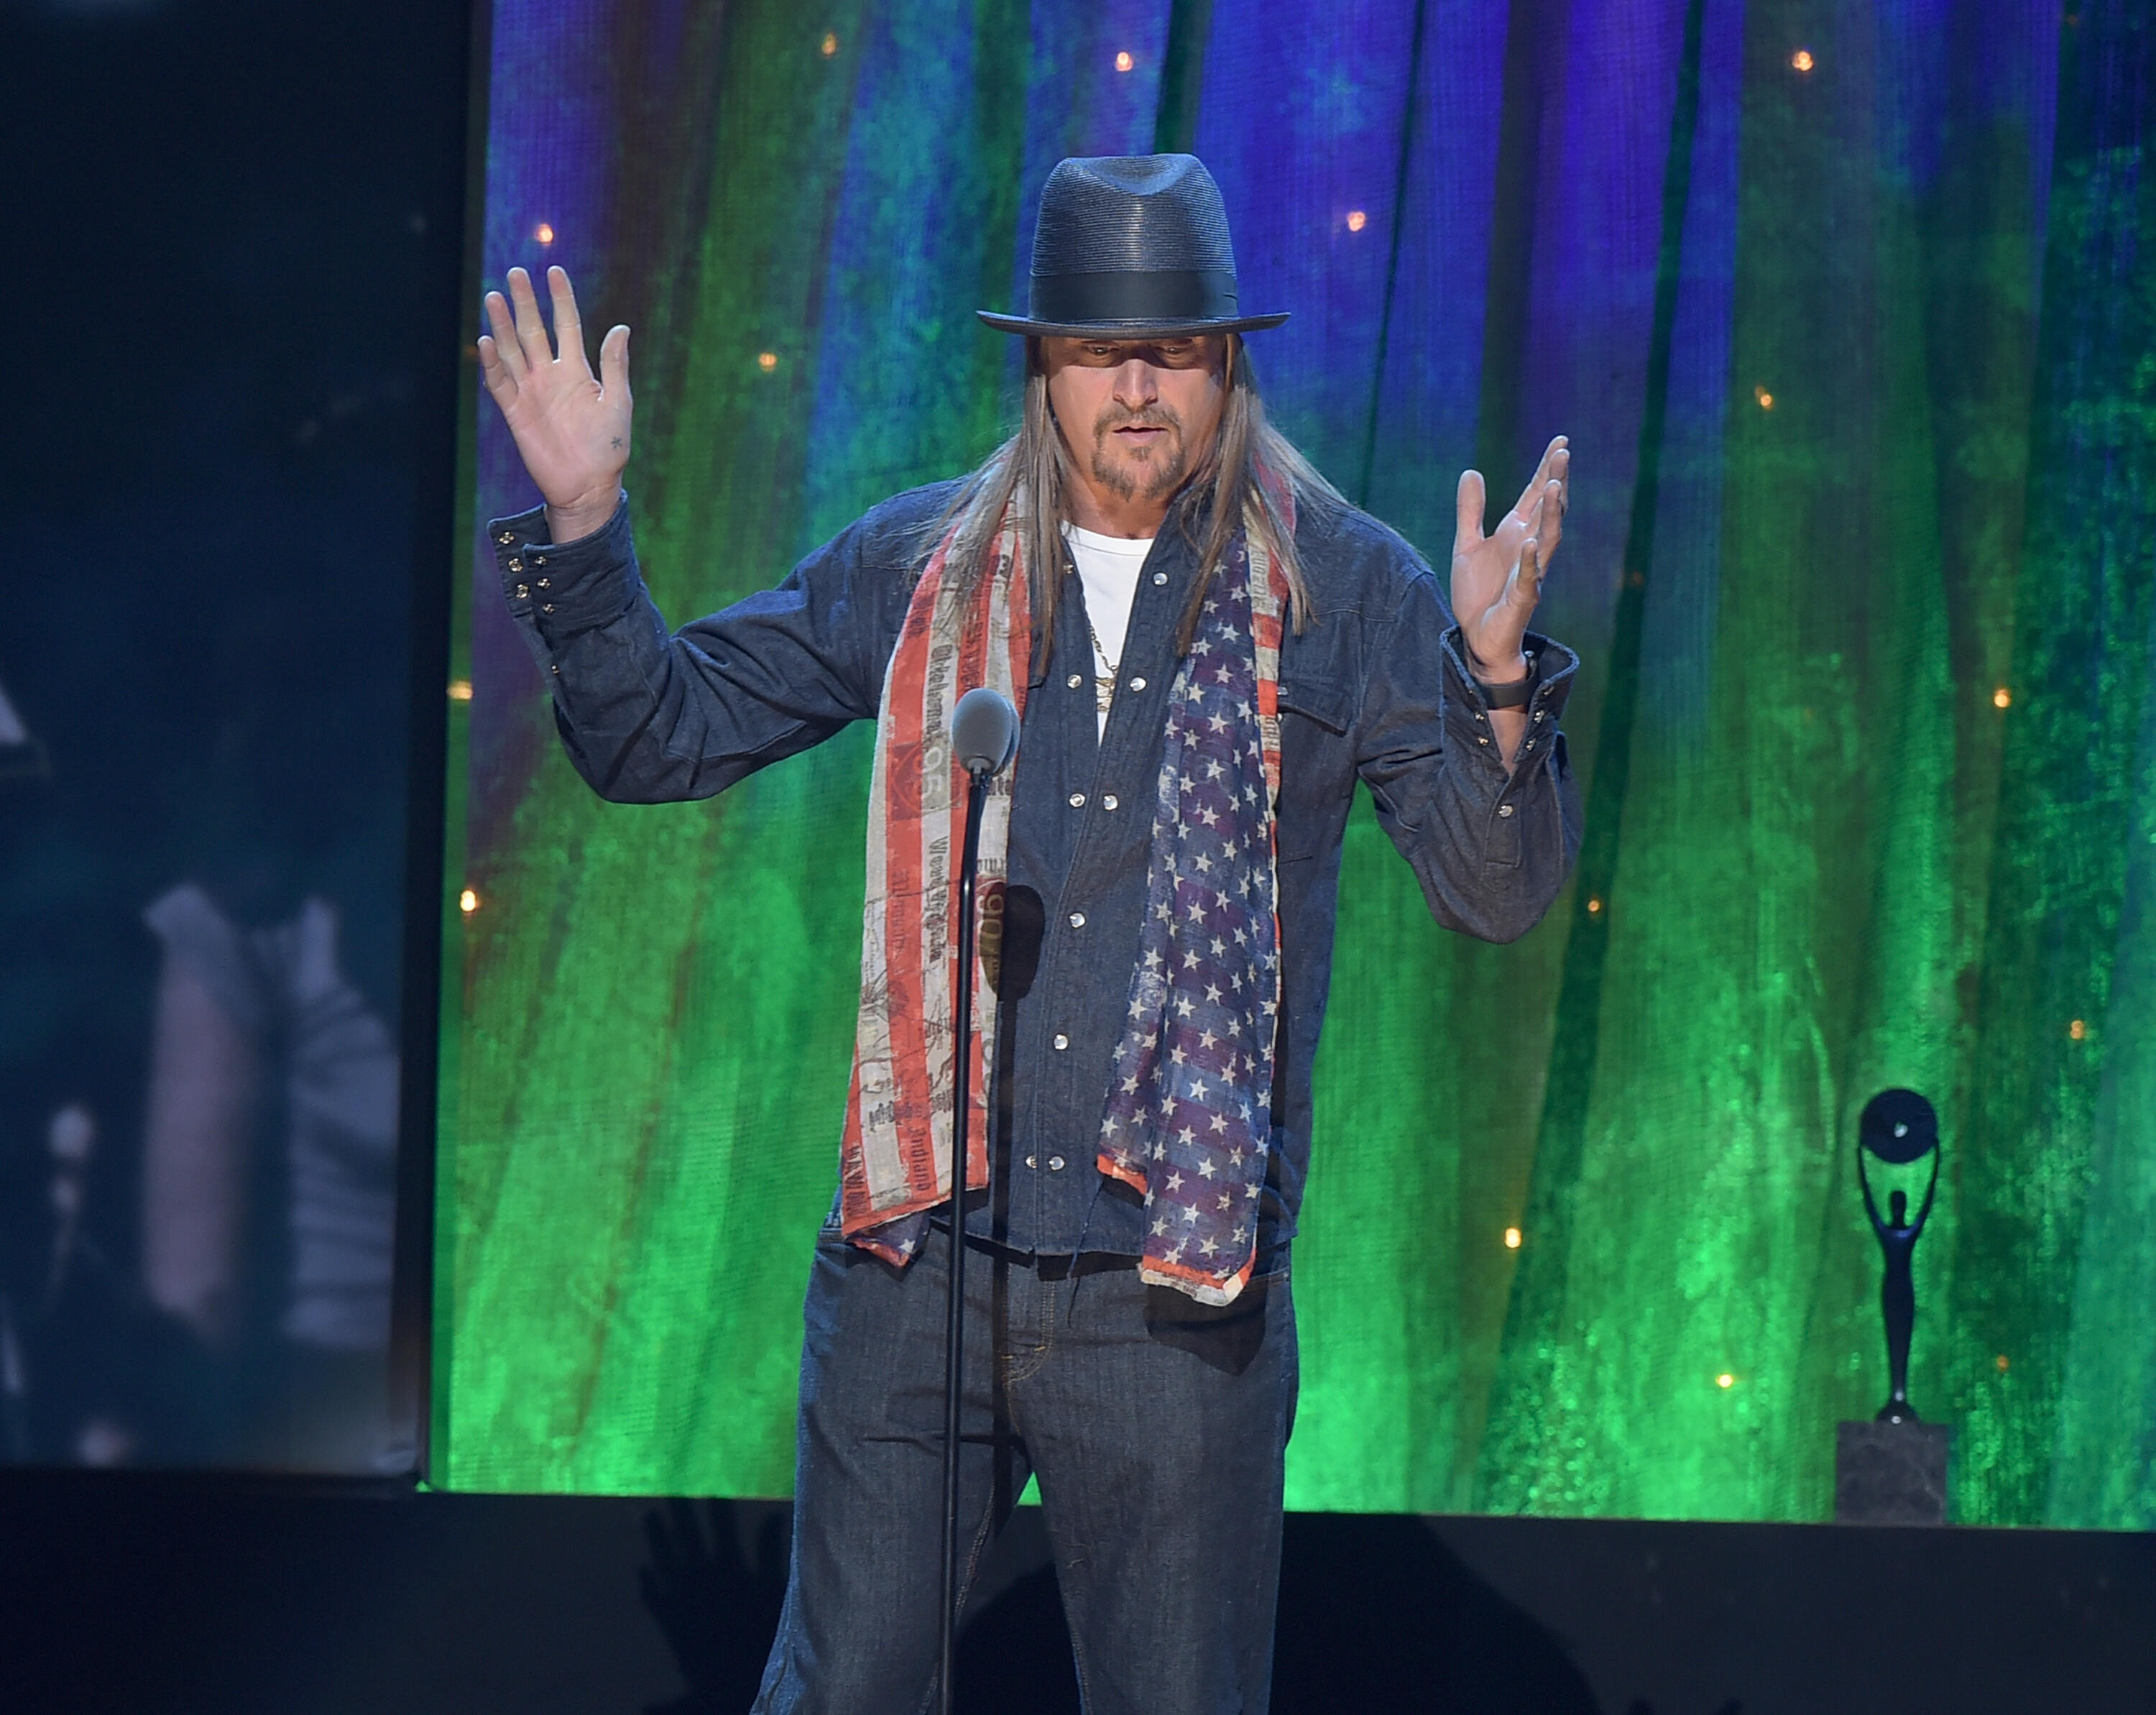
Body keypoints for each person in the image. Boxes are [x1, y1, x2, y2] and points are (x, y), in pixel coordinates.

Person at [479, 154, 1580, 1715]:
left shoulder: (1350, 592)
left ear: (1228, 361)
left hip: (1172, 1297)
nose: (1137, 382)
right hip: (921, 1268)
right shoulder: (918, 567)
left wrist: (1494, 682)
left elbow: (1498, 889)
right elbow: (657, 736)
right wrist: (586, 526)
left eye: (1175, 346)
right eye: (1094, 348)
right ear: (1040, 369)